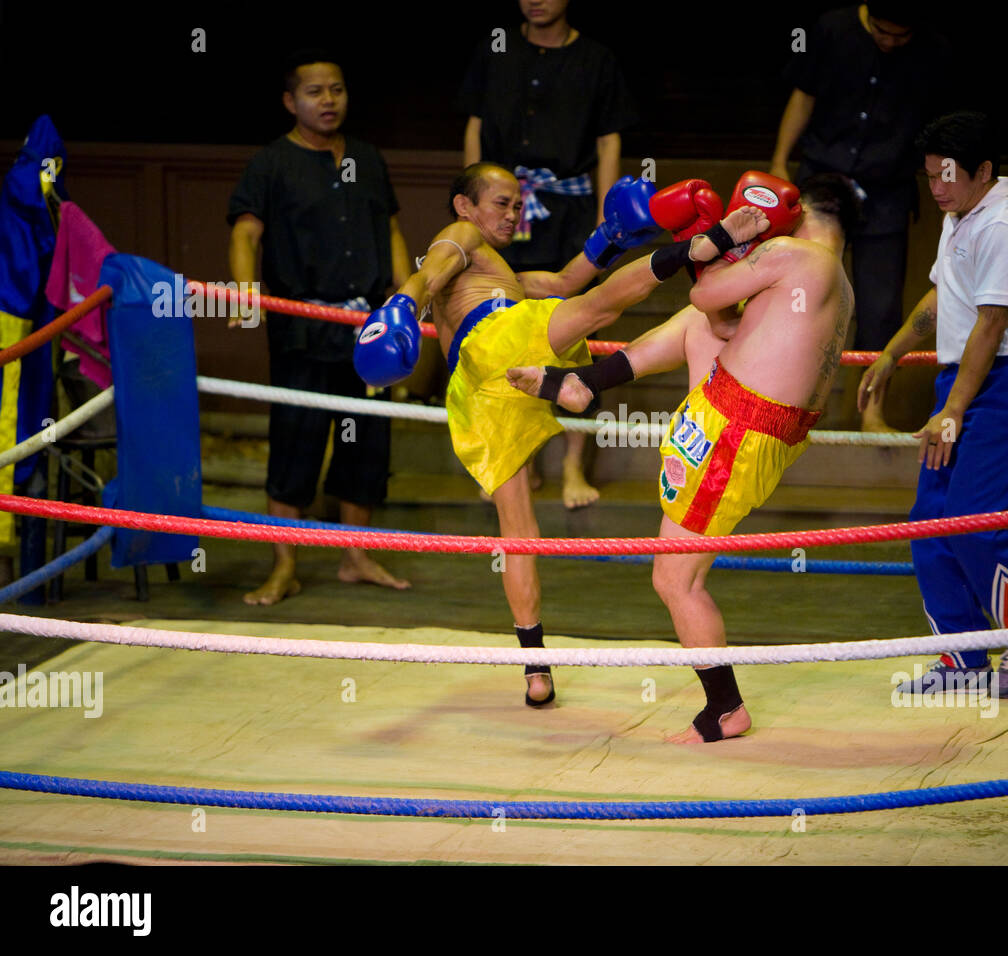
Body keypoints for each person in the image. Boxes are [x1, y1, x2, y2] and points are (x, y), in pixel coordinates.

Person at [353, 163, 770, 707]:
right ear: (464, 206)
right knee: (598, 309)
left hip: (481, 393)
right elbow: (429, 275)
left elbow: (568, 279)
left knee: (518, 531)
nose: (513, 213)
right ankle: (704, 246)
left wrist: (610, 237)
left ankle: (535, 667)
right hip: (498, 342)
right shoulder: (459, 237)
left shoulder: (503, 272)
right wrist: (402, 305)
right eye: (501, 203)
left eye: (516, 204)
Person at [508, 172, 850, 741]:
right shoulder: (832, 281)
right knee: (697, 327)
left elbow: (704, 294)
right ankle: (586, 383)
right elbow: (716, 321)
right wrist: (712, 246)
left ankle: (725, 708)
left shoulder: (793, 253)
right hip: (751, 425)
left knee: (674, 577)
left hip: (737, 428)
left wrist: (709, 240)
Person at [860, 112, 1008, 699]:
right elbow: (942, 296)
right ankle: (963, 657)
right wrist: (892, 354)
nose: (938, 187)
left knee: (974, 520)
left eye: (947, 175)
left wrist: (952, 409)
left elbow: (992, 324)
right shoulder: (960, 217)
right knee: (929, 523)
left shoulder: (1007, 225)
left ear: (984, 172)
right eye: (929, 177)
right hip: (963, 383)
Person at [228, 50, 412, 606]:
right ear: (290, 101)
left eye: (336, 89)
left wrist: (407, 298)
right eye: (314, 92)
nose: (328, 100)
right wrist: (244, 290)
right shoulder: (270, 164)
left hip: (368, 326)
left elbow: (391, 228)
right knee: (295, 444)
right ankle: (284, 565)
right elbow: (245, 234)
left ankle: (355, 556)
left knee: (368, 441)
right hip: (302, 325)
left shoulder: (367, 158)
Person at [457, 0, 638, 509]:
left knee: (576, 330)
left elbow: (609, 142)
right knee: (504, 330)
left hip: (571, 212)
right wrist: (475, 207)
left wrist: (610, 222)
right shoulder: (495, 48)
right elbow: (474, 127)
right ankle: (520, 458)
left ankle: (573, 467)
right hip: (502, 210)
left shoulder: (597, 58)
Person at [770, 2, 949, 431]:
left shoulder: (933, 51)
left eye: (900, 37)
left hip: (887, 189)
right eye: (882, 33)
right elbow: (804, 96)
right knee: (803, 297)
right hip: (822, 182)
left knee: (880, 309)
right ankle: (790, 404)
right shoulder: (832, 28)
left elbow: (940, 126)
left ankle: (871, 412)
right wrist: (779, 161)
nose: (889, 42)